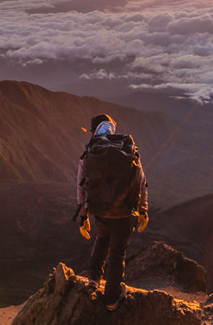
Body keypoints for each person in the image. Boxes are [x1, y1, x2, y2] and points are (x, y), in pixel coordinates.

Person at [76, 113, 148, 311]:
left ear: (93, 130)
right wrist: (143, 210)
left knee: (102, 239)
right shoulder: (127, 146)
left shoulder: (91, 150)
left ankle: (92, 280)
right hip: (126, 213)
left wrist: (83, 217)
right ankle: (111, 299)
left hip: (101, 211)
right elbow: (141, 181)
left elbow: (81, 187)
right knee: (117, 254)